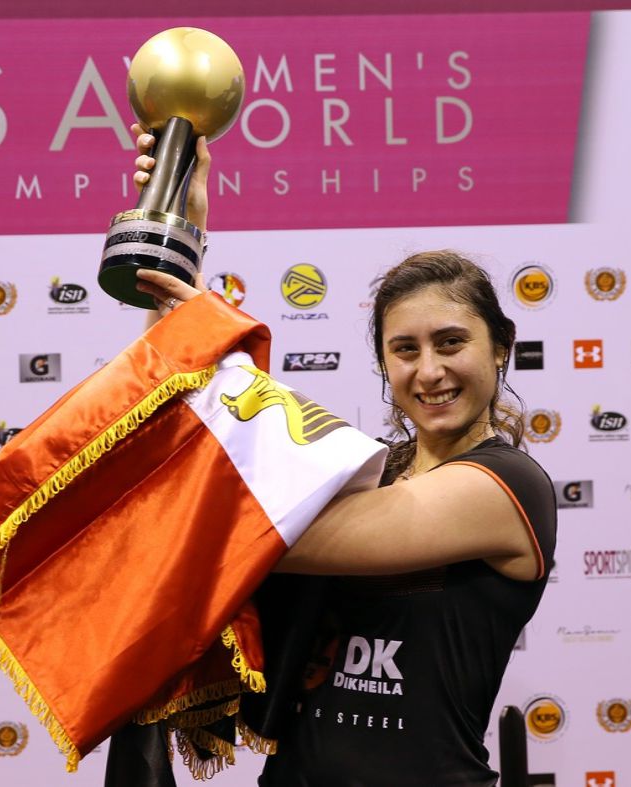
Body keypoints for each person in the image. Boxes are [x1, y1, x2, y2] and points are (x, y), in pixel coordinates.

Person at [110, 125, 557, 787]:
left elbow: (260, 535)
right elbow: (168, 432)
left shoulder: (506, 486)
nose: (429, 370)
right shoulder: (372, 467)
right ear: (383, 363)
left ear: (500, 348)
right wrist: (178, 230)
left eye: (450, 342)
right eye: (404, 350)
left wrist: (208, 347)